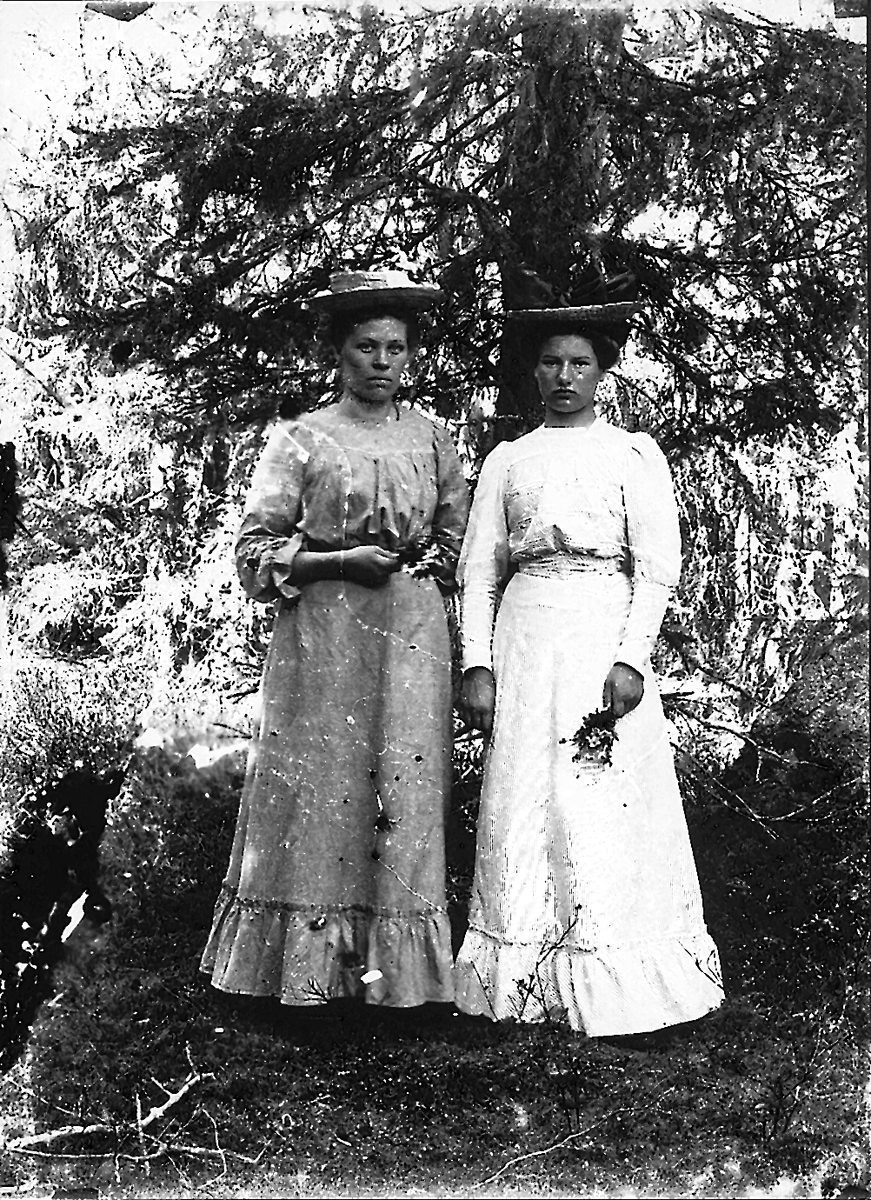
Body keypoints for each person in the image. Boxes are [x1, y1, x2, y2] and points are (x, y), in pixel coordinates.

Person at [454, 289, 724, 1038]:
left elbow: (656, 568)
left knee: (599, 793)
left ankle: (619, 981)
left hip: (600, 628)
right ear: (533, 372)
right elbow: (479, 572)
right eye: (550, 363)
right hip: (525, 636)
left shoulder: (630, 454)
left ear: (602, 371)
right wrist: (477, 663)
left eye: (579, 363)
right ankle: (522, 979)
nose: (564, 377)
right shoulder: (508, 460)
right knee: (524, 794)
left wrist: (631, 658)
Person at [200, 268, 469, 1011]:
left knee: (401, 785)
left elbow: (457, 537)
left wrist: (427, 565)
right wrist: (338, 562)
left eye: (396, 349)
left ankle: (392, 982)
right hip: (323, 631)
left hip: (408, 633)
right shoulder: (301, 438)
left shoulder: (431, 437)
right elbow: (254, 550)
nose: (382, 362)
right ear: (339, 353)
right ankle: (310, 977)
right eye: (366, 347)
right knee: (321, 788)